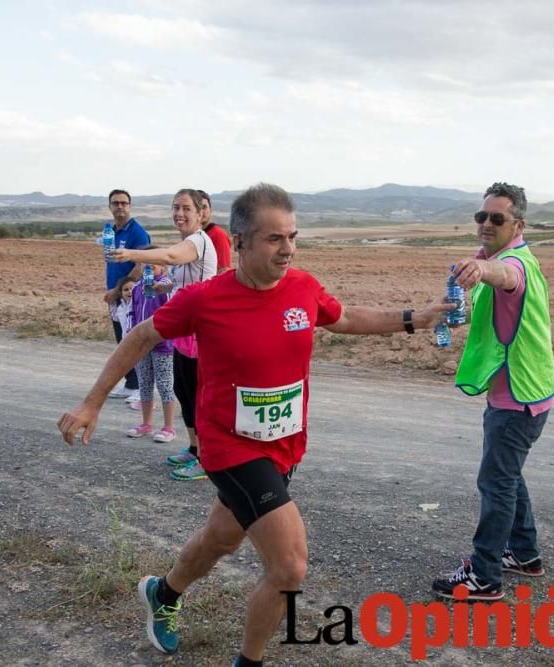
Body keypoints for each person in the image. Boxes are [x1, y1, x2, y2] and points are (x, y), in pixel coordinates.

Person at [59, 183, 452, 666]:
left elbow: (345, 318)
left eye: (292, 236)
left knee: (220, 538)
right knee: (289, 567)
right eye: (274, 239)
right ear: (241, 241)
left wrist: (415, 318)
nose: (287, 249)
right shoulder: (206, 299)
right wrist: (93, 402)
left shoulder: (303, 289)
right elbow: (142, 335)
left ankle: (163, 593)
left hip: (283, 445)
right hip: (229, 447)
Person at [431, 182, 554, 603]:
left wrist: (481, 270)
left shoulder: (513, 264)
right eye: (481, 216)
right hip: (528, 392)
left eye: (497, 218)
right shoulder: (502, 257)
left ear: (517, 224)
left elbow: (506, 279)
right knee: (508, 476)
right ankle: (524, 554)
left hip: (517, 398)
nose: (486, 224)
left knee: (496, 482)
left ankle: (484, 575)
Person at [111, 188, 217, 481]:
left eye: (186, 208)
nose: (179, 214)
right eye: (175, 208)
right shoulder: (189, 242)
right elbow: (183, 280)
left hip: (199, 331)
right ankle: (195, 449)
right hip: (184, 330)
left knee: (197, 395)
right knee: (183, 391)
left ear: (200, 213)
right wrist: (165, 288)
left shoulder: (199, 241)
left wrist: (131, 253)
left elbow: (170, 256)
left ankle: (207, 459)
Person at [102, 189, 151, 401]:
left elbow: (142, 264)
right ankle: (131, 384)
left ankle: (142, 387)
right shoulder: (112, 232)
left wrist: (119, 288)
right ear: (110, 207)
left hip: (131, 295)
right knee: (122, 340)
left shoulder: (136, 232)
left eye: (123, 203)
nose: (120, 207)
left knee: (134, 340)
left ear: (130, 206)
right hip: (117, 295)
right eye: (116, 203)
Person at [125, 259, 177, 443]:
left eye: (154, 263)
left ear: (163, 266)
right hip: (142, 344)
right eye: (145, 263)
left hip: (163, 344)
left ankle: (169, 427)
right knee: (145, 384)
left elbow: (172, 311)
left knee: (164, 385)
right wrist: (132, 334)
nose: (149, 266)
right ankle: (146, 424)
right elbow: (132, 311)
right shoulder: (138, 286)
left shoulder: (165, 286)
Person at [198, 189, 233, 274]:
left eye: (204, 207)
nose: (201, 211)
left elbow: (223, 271)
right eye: (197, 207)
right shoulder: (196, 235)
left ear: (210, 210)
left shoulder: (218, 235)